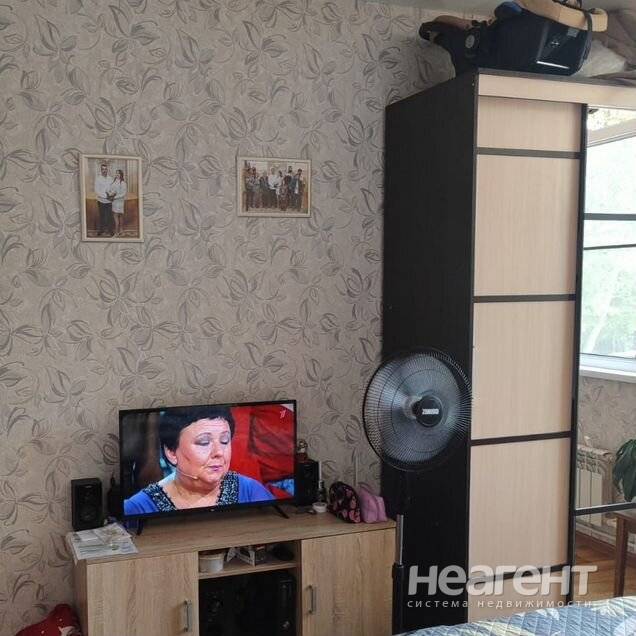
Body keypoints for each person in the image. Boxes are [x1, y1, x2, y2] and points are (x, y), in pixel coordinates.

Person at [123, 406, 273, 515]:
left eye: (225, 441)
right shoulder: (138, 507)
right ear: (171, 452)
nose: (219, 452)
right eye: (204, 442)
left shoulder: (250, 490)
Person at [94, 162, 114, 236]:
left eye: (105, 169)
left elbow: (112, 188)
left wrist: (111, 195)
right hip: (101, 200)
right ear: (101, 170)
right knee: (102, 216)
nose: (104, 170)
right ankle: (101, 230)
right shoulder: (98, 179)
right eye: (103, 169)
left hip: (109, 201)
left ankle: (110, 230)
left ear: (107, 170)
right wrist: (106, 196)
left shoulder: (110, 178)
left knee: (109, 216)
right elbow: (97, 190)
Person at [109, 169, 127, 237]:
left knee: (118, 216)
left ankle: (117, 232)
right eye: (116, 173)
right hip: (114, 202)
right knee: (118, 216)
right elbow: (111, 190)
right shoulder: (114, 182)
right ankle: (120, 231)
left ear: (121, 175)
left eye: (118, 173)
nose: (117, 174)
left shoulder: (123, 183)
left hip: (119, 202)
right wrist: (110, 193)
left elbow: (123, 194)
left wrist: (114, 197)